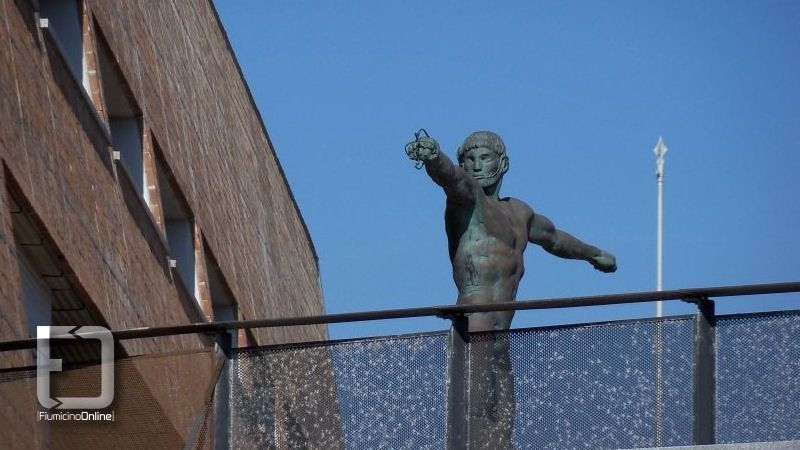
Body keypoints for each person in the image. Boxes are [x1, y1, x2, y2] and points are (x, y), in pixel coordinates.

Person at [406, 130, 616, 448]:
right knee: (475, 410)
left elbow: (554, 238)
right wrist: (435, 158)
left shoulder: (520, 213)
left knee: (503, 414)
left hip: (502, 330)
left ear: (503, 163)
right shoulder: (467, 200)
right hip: (474, 323)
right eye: (469, 160)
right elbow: (452, 179)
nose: (477, 166)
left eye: (484, 158)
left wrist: (593, 254)